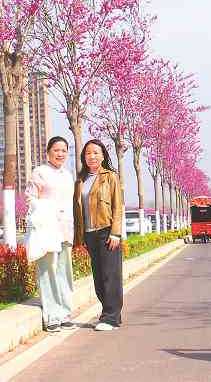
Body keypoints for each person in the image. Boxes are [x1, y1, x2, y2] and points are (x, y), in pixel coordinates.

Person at [25, 136, 75, 333]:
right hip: (47, 229)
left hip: (65, 229)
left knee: (64, 272)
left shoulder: (67, 175)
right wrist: (46, 211)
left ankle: (64, 313)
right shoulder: (40, 172)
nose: (60, 153)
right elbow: (30, 197)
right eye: (56, 150)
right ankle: (52, 315)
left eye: (64, 150)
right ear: (48, 152)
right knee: (47, 271)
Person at [73, 139, 124, 331]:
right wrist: (79, 237)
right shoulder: (80, 181)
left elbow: (118, 206)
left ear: (103, 155)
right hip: (89, 235)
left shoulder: (110, 177)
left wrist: (116, 233)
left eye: (95, 152)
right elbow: (76, 211)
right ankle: (108, 313)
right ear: (83, 157)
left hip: (107, 232)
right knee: (98, 278)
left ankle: (111, 317)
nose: (91, 156)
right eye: (88, 153)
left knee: (111, 276)